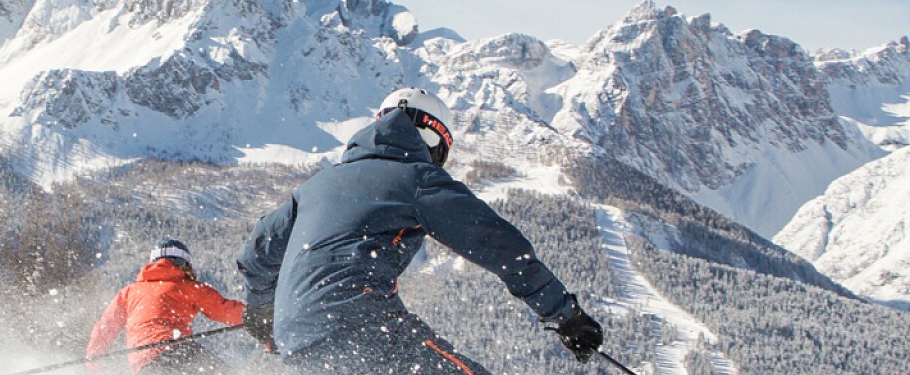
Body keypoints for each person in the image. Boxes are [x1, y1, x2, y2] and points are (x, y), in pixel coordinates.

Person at [236, 87, 603, 374]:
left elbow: (257, 254)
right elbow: (498, 244)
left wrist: (263, 313)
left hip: (296, 341)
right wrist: (564, 314)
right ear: (433, 141)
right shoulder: (417, 178)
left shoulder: (316, 185)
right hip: (358, 323)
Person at [87, 239, 245, 375]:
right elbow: (224, 310)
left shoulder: (129, 292)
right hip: (176, 351)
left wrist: (93, 363)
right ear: (185, 264)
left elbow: (104, 328)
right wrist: (259, 319)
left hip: (143, 366)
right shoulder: (186, 287)